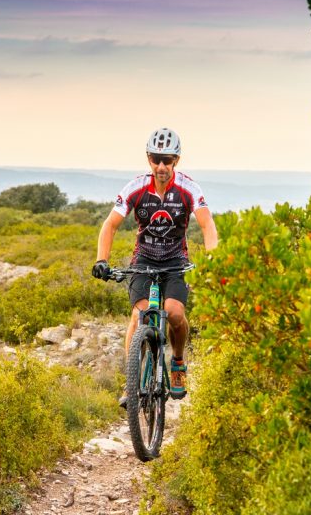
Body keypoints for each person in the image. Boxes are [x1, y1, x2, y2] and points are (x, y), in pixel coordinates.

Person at [92, 127, 218, 407]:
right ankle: (131, 382)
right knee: (138, 318)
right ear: (148, 159)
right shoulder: (136, 187)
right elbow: (110, 224)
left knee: (174, 313)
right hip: (144, 259)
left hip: (175, 261)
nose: (161, 166)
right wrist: (102, 260)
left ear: (177, 161)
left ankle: (178, 362)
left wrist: (213, 262)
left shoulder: (188, 188)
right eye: (156, 159)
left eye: (168, 160)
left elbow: (207, 224)